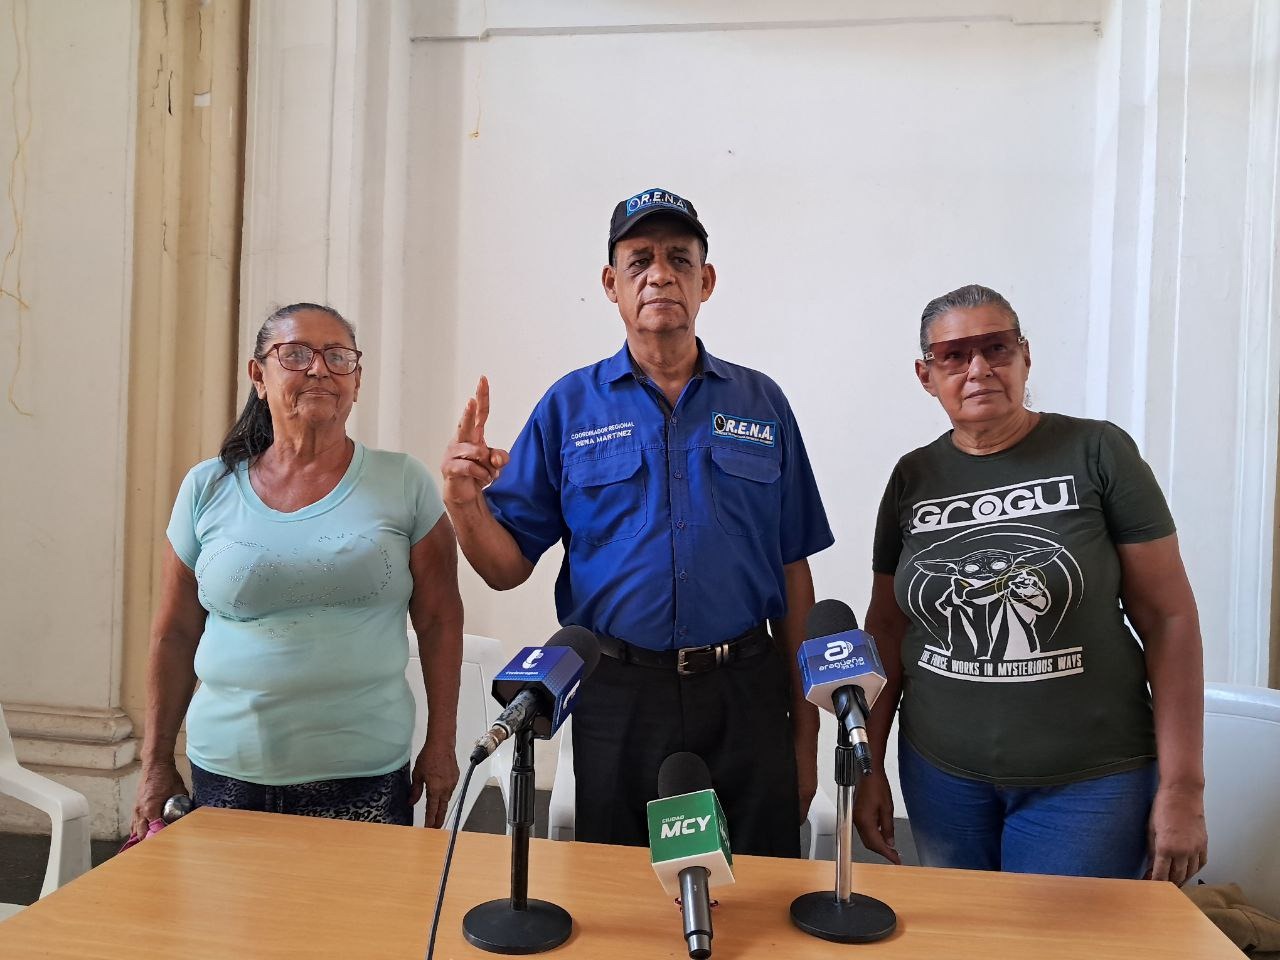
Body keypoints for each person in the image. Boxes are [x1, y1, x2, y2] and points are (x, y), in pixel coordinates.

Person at [441, 188, 833, 856]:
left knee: (762, 883)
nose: (660, 275)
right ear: (611, 284)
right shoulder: (569, 407)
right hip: (618, 696)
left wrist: (805, 736)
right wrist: (464, 503)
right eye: (640, 261)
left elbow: (794, 572)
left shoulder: (761, 402)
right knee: (620, 889)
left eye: (680, 259)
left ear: (706, 281)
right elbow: (505, 569)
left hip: (747, 692)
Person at [854, 283, 1208, 883]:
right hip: (942, 779)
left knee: (1061, 933)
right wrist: (870, 770)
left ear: (1025, 356)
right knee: (966, 929)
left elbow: (1168, 619)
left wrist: (1183, 786)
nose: (978, 369)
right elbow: (886, 628)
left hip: (1090, 781)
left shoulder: (1098, 452)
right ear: (926, 375)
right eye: (953, 355)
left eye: (996, 348)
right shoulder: (913, 476)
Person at [130, 303, 463, 837]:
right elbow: (174, 632)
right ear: (258, 375)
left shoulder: (403, 483)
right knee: (229, 897)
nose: (319, 369)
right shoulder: (207, 486)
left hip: (364, 769)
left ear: (356, 381)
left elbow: (440, 619)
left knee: (358, 897)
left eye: (338, 357)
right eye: (296, 354)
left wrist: (441, 744)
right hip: (227, 767)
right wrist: (155, 762)